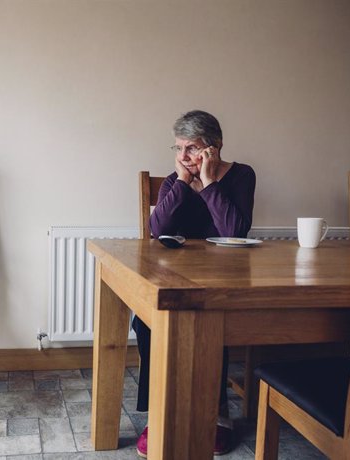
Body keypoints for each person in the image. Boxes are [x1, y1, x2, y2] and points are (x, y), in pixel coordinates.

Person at [133, 110, 256, 457]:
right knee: (145, 320)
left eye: (192, 148)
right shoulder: (177, 181)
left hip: (223, 277)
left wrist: (210, 182)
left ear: (213, 149)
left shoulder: (242, 175)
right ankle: (158, 413)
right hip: (175, 275)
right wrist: (185, 182)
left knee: (212, 323)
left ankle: (217, 415)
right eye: (179, 147)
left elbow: (234, 232)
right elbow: (157, 229)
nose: (184, 156)